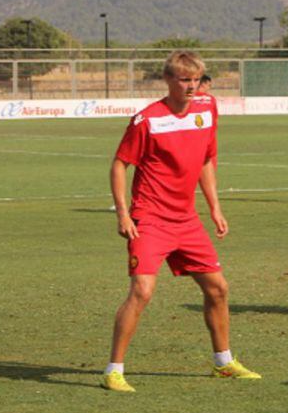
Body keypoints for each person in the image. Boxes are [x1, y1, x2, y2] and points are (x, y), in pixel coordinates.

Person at [102, 51, 260, 393]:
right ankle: (114, 370)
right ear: (168, 80)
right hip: (151, 219)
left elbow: (205, 159)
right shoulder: (147, 120)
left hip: (187, 220)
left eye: (196, 80)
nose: (191, 87)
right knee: (142, 291)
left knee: (218, 288)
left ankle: (223, 363)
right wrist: (123, 212)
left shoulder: (207, 108)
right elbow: (119, 165)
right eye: (184, 80)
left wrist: (215, 207)